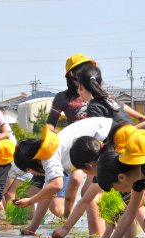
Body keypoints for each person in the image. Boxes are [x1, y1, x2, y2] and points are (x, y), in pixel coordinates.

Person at [13, 117, 114, 234]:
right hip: (105, 137)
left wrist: (30, 201)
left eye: (28, 169)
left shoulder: (47, 156)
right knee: (99, 194)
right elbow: (48, 194)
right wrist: (32, 228)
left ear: (32, 162)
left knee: (93, 195)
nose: (32, 173)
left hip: (109, 136)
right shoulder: (47, 152)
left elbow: (56, 185)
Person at [47, 53, 97, 221]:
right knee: (75, 179)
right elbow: (50, 124)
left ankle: (94, 222)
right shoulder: (62, 97)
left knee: (90, 191)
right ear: (71, 75)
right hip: (75, 144)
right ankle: (68, 218)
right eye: (79, 70)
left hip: (97, 143)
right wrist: (55, 136)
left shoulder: (95, 92)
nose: (83, 72)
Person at [77, 63, 145, 130]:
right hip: (132, 134)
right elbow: (123, 106)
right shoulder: (108, 99)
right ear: (100, 85)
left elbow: (102, 135)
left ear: (80, 87)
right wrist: (141, 118)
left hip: (125, 139)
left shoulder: (93, 108)